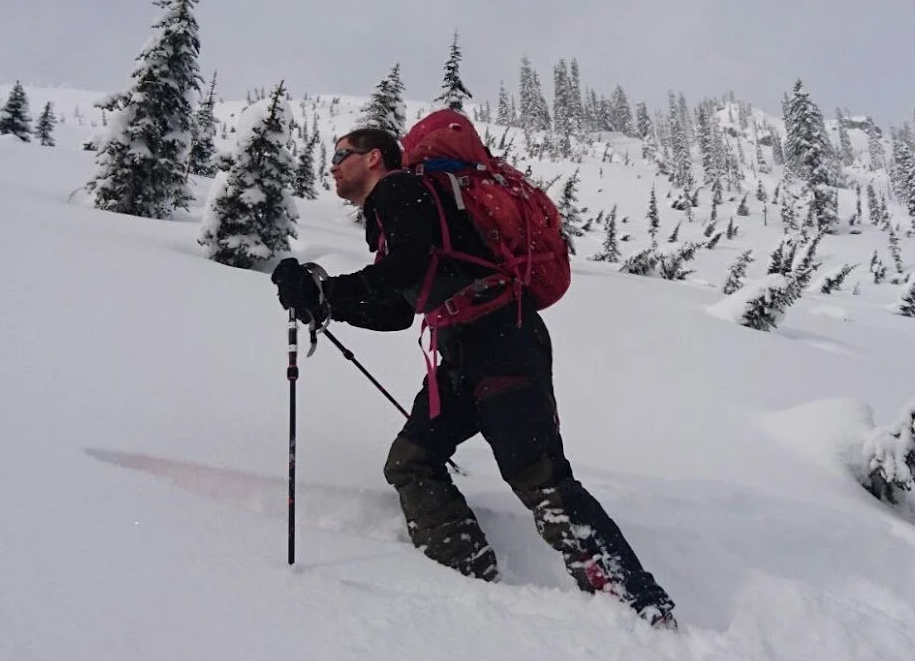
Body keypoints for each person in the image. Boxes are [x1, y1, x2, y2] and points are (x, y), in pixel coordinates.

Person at [272, 116, 676, 628]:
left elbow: (406, 270)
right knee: (411, 462)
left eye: (339, 156)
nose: (331, 169)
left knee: (542, 481)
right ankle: (467, 578)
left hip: (502, 344)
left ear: (373, 157)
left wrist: (328, 291)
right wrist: (327, 302)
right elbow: (398, 310)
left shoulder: (403, 191)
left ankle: (640, 608)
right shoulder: (402, 210)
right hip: (466, 351)